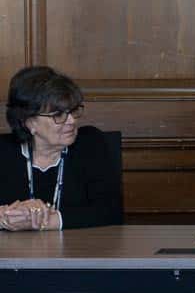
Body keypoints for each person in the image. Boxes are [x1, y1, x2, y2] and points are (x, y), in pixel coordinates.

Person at [0, 65, 122, 230]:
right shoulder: (3, 151)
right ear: (28, 121)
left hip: (80, 252)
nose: (71, 121)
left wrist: (43, 222)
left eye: (72, 111)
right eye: (58, 115)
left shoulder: (90, 143)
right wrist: (4, 217)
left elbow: (111, 212)